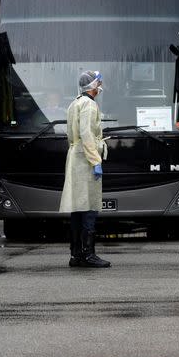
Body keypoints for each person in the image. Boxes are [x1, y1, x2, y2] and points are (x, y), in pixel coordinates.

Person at [58, 70, 111, 268]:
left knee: (77, 209)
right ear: (94, 85)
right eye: (99, 82)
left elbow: (73, 134)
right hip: (85, 159)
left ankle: (76, 254)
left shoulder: (75, 103)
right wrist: (95, 160)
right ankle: (88, 255)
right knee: (88, 207)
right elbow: (87, 134)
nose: (100, 86)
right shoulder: (89, 105)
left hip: (75, 156)